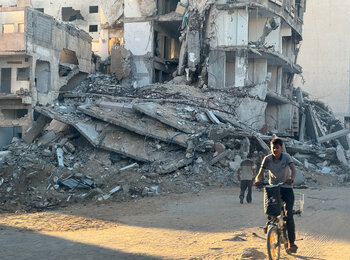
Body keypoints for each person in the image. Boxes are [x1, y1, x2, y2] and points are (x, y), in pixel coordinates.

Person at [255, 137, 298, 253]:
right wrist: (257, 180)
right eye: (273, 147)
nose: (275, 149)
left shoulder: (287, 157)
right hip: (273, 189)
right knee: (271, 210)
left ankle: (292, 242)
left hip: (286, 188)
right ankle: (270, 225)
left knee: (288, 215)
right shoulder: (267, 159)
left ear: (281, 148)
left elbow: (294, 170)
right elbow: (260, 173)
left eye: (277, 147)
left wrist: (291, 179)